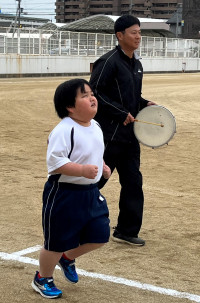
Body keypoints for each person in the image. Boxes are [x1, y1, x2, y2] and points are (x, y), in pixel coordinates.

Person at [31, 78, 111, 299]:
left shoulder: (95, 125)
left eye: (91, 93)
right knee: (55, 242)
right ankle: (42, 278)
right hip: (64, 194)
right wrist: (82, 170)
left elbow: (94, 150)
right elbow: (55, 163)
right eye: (84, 95)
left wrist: (102, 166)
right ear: (70, 107)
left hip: (90, 193)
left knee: (100, 235)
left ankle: (67, 258)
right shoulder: (64, 130)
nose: (92, 97)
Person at [90, 14, 156, 246]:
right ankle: (74, 218)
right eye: (134, 32)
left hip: (130, 136)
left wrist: (144, 104)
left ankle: (126, 231)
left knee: (133, 182)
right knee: (95, 180)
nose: (138, 36)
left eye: (139, 32)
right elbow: (95, 93)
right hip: (109, 135)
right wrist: (120, 113)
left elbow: (132, 98)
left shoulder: (136, 64)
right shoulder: (108, 62)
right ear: (120, 36)